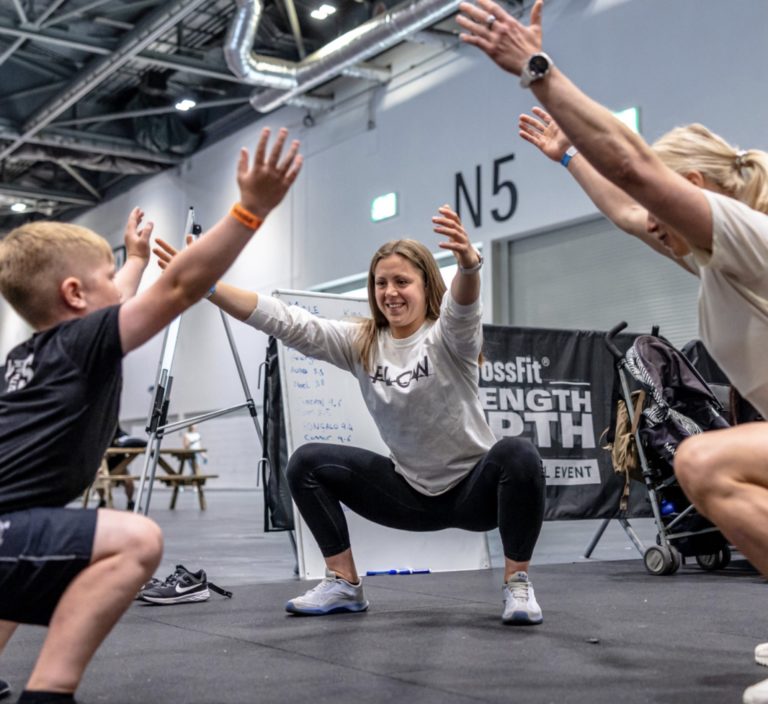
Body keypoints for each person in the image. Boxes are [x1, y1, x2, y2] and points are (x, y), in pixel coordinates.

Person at [455, 1, 768, 700]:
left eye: (665, 200)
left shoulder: (746, 235)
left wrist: (537, 71)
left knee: (703, 460)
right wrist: (567, 154)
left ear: (700, 191)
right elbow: (632, 213)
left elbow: (634, 172)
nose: (652, 221)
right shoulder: (714, 257)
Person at [0, 126, 302, 704]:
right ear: (74, 295)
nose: (122, 285)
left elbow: (116, 299)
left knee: (33, 557)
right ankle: (50, 692)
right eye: (106, 276)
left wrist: (134, 258)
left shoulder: (31, 355)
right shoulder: (82, 342)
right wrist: (250, 210)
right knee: (135, 540)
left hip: (9, 532)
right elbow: (182, 286)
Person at [155, 205, 547, 625]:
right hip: (410, 494)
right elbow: (288, 322)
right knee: (307, 462)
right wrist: (210, 287)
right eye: (381, 283)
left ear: (426, 284)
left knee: (519, 454)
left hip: (476, 495)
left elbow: (463, 307)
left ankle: (517, 585)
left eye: (402, 281)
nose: (390, 292)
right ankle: (343, 583)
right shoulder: (362, 342)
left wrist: (469, 265)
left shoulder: (447, 337)